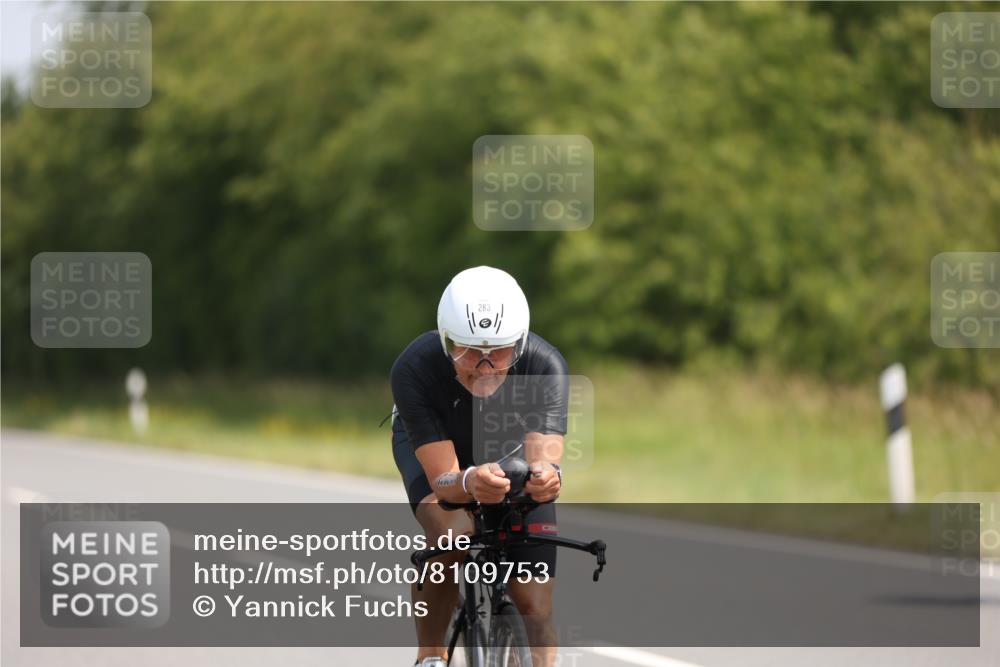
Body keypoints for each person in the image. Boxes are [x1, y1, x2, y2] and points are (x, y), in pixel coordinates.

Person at [390, 266, 568, 667]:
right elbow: (445, 479)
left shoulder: (545, 366)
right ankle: (431, 655)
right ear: (444, 340)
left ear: (521, 343)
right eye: (468, 350)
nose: (484, 366)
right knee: (455, 533)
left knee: (535, 605)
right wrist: (470, 481)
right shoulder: (414, 367)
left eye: (500, 351)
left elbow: (544, 460)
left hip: (509, 456)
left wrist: (546, 480)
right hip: (440, 452)